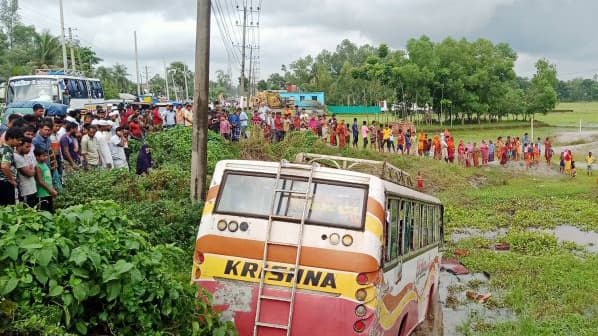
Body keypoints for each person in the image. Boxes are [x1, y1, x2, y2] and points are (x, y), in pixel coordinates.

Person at [0, 128, 22, 206]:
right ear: (10, 138)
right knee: (8, 207)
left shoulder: (2, 148)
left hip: (3, 183)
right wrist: (11, 180)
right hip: (5, 183)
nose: (20, 142)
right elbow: (4, 166)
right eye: (18, 140)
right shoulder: (7, 150)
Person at [15, 137, 37, 208]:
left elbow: (32, 169)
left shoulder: (24, 156)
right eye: (27, 147)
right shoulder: (17, 157)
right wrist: (32, 170)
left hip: (31, 189)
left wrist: (32, 169)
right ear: (19, 145)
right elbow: (29, 173)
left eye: (30, 147)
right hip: (25, 191)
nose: (29, 149)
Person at [34, 149, 56, 213]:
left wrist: (52, 188)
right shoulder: (37, 166)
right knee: (44, 210)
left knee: (50, 209)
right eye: (43, 156)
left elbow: (48, 179)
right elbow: (40, 181)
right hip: (42, 193)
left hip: (48, 192)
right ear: (37, 157)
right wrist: (51, 190)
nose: (46, 158)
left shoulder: (45, 164)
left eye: (46, 156)